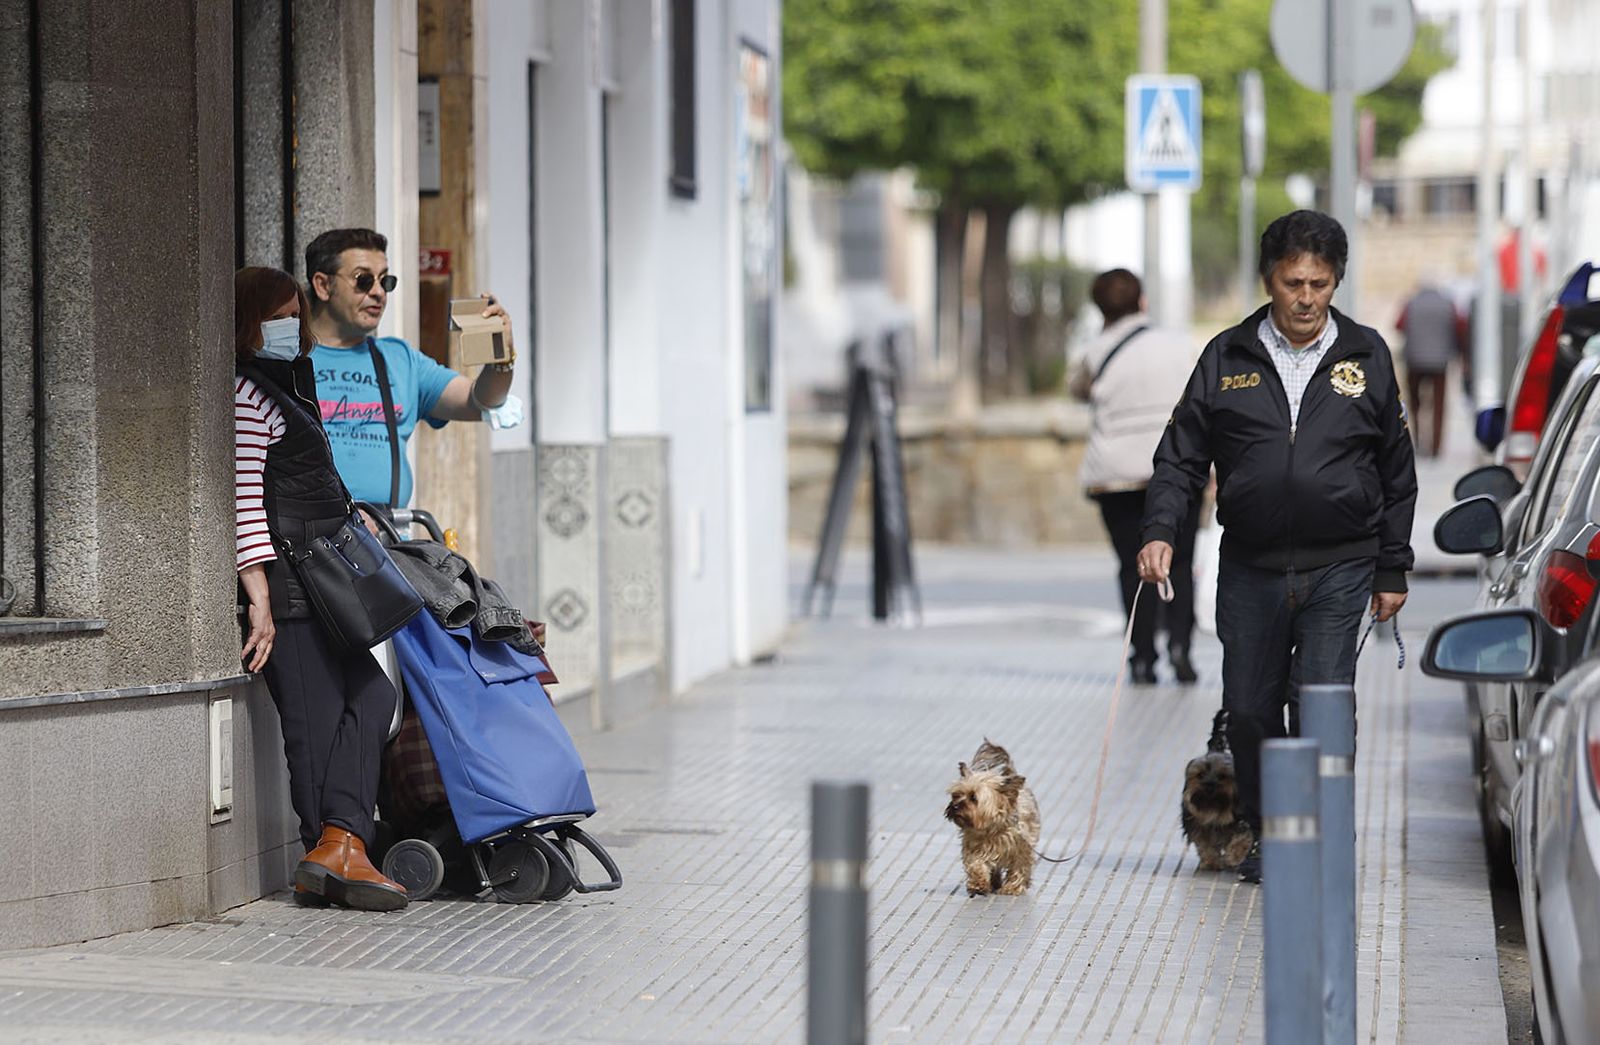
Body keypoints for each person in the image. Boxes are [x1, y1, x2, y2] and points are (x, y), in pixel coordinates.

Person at [1135, 210, 1418, 884]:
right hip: (1252, 566)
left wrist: (1392, 565)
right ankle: (1263, 831)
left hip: (1340, 564)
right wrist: (1158, 532)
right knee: (1251, 708)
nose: (1307, 297)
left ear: (1336, 281)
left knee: (1322, 700)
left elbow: (1397, 471)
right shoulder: (1227, 356)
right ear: (1269, 280)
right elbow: (1179, 458)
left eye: (1320, 283)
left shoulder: (1367, 355)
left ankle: (1318, 834)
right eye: (1294, 282)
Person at [234, 265, 409, 911]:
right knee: (312, 723)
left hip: (319, 578)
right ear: (248, 324)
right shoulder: (245, 395)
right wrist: (259, 600)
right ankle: (328, 848)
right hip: (286, 583)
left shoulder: (284, 384)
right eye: (277, 316)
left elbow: (302, 479)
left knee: (370, 693)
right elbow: (244, 501)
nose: (290, 327)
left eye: (294, 314)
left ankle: (339, 840)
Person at [302, 228, 521, 510]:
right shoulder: (287, 359)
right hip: (306, 543)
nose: (378, 292)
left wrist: (501, 353)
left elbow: (482, 401)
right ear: (323, 285)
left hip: (386, 542)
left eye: (385, 280)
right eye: (363, 280)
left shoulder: (400, 360)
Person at [1069, 269, 1201, 686]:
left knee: (1132, 566)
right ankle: (1181, 647)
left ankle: (1142, 657)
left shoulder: (1094, 352)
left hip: (1117, 476)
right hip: (1178, 470)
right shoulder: (1183, 345)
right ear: (1143, 301)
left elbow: (1078, 391)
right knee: (1179, 563)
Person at [1395, 279, 1463, 457]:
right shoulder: (1448, 304)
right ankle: (1436, 447)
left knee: (1415, 403)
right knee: (1439, 406)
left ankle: (1417, 440)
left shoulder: (1411, 303)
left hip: (1415, 360)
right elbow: (1459, 328)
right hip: (1440, 361)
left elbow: (1398, 325)